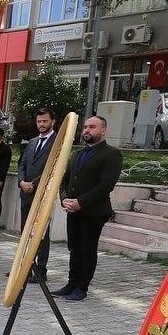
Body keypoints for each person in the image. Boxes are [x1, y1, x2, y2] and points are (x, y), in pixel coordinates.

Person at [52, 116, 123, 302]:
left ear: (103, 130)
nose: (86, 130)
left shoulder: (111, 154)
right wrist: (64, 198)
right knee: (74, 248)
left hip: (93, 212)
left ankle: (81, 287)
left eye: (92, 127)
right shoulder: (79, 153)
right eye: (84, 127)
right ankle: (71, 284)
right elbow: (66, 179)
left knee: (87, 250)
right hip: (73, 210)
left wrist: (81, 202)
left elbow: (106, 185)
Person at [18, 108, 57, 275]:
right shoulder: (32, 142)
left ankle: (40, 269)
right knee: (25, 231)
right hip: (25, 193)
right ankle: (24, 267)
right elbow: (22, 164)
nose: (41, 124)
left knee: (41, 233)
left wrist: (33, 184)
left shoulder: (57, 142)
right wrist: (21, 182)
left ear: (52, 122)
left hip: (42, 195)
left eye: (45, 121)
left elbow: (53, 168)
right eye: (39, 121)